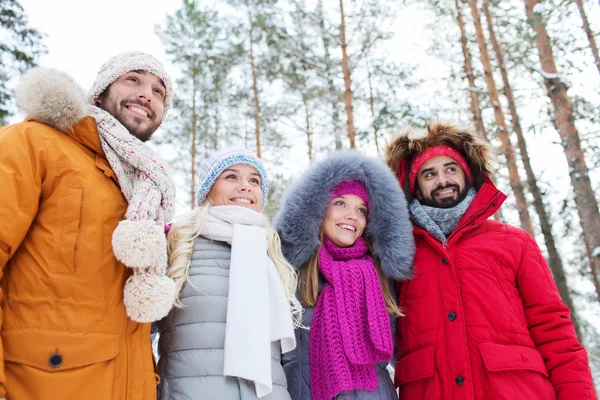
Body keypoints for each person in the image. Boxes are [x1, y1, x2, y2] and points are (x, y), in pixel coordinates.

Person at [0, 52, 178, 400]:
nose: (147, 94)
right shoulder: (33, 143)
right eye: (133, 80)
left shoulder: (144, 191)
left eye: (159, 92)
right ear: (99, 92)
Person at [385, 120, 596, 400]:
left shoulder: (513, 242)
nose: (443, 180)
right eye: (429, 174)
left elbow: (554, 331)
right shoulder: (398, 253)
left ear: (467, 175)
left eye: (451, 169)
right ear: (415, 186)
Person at [157, 149, 302, 400]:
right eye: (232, 177)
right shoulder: (176, 243)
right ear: (208, 190)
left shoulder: (273, 254)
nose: (245, 186)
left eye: (254, 180)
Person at [275, 151, 415, 400]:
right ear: (318, 210)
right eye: (340, 203)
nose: (352, 216)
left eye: (361, 210)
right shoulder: (288, 272)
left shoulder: (381, 277)